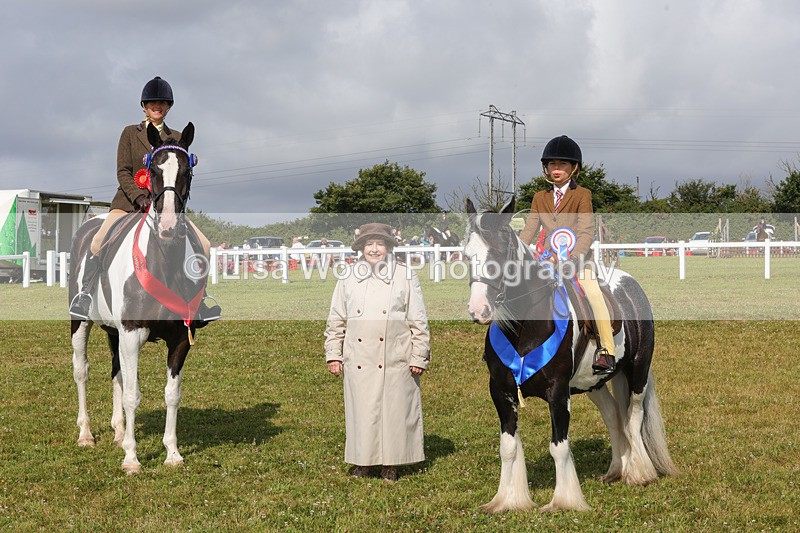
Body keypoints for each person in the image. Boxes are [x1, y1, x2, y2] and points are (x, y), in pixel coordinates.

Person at [69, 76, 221, 322]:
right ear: (144, 105)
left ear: (168, 106)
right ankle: (85, 295)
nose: (157, 106)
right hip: (128, 205)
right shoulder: (130, 133)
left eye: (162, 103)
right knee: (97, 241)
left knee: (203, 245)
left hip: (167, 208)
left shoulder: (178, 136)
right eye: (152, 103)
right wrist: (139, 197)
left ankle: (200, 301)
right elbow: (123, 172)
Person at [324, 223, 431, 481]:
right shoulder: (347, 276)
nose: (374, 249)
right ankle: (364, 462)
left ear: (389, 247)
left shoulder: (405, 275)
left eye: (380, 244)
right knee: (363, 411)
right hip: (358, 357)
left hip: (396, 356)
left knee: (394, 412)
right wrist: (333, 353)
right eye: (369, 244)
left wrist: (419, 355)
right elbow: (337, 318)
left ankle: (391, 464)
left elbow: (418, 319)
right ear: (361, 248)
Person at [518, 135, 615, 375]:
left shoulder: (582, 195)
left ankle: (606, 350)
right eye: (552, 164)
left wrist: (571, 259)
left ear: (574, 168)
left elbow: (585, 232)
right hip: (548, 260)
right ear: (546, 168)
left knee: (593, 293)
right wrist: (516, 252)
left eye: (562, 164)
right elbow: (530, 229)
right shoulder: (539, 198)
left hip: (578, 261)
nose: (556, 169)